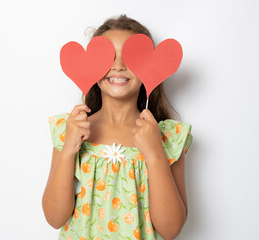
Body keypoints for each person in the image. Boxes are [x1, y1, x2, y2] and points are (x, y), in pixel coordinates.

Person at [42, 14, 193, 240]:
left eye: (130, 58)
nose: (119, 66)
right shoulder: (69, 129)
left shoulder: (168, 138)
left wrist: (154, 154)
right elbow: (54, 218)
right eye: (108, 57)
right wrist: (68, 150)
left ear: (149, 66)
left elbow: (171, 229)